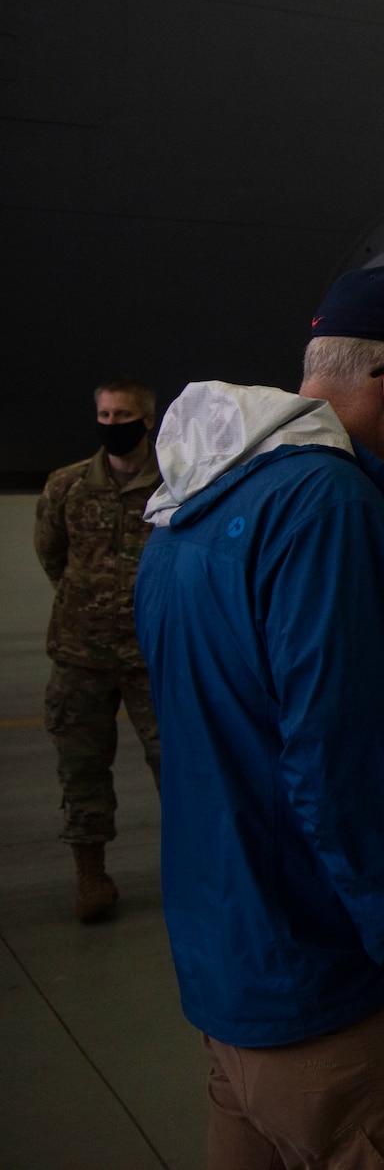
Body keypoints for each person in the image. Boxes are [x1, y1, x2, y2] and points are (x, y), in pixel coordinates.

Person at [134, 262, 384, 1170]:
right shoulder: (329, 506)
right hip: (344, 1008)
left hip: (235, 988)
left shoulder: (191, 506)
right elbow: (352, 781)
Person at [33, 377, 162, 923]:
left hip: (153, 658)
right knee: (81, 770)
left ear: (148, 419)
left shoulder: (176, 484)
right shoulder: (66, 486)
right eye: (105, 416)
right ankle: (91, 876)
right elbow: (53, 556)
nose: (113, 425)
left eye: (123, 415)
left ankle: (200, 870)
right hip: (80, 656)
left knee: (181, 768)